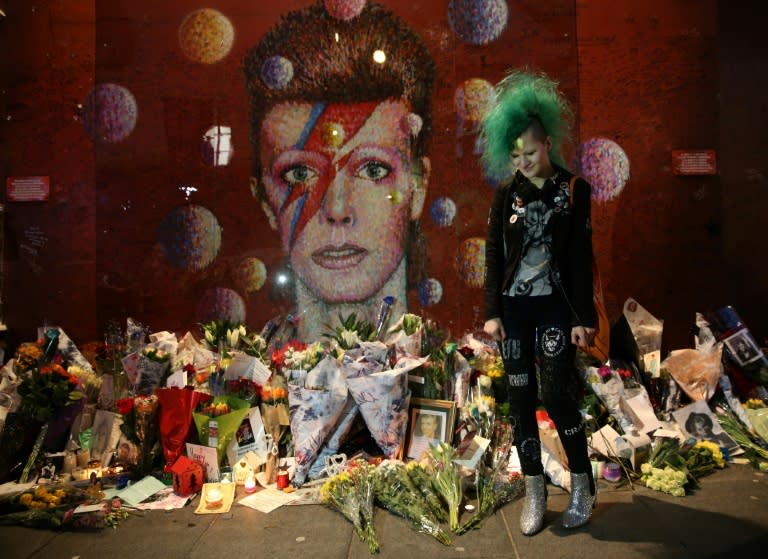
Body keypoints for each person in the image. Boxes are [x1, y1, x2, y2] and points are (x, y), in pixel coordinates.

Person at [243, 2, 434, 343]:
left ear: (418, 188)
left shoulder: (452, 365)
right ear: (263, 201)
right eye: (300, 174)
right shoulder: (248, 370)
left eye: (373, 169)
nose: (336, 210)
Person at [480, 70, 597, 535]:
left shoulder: (573, 191)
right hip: (514, 310)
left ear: (547, 143)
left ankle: (584, 484)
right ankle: (534, 490)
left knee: (556, 395)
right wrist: (491, 311)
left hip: (554, 308)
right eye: (514, 155)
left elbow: (581, 258)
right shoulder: (505, 193)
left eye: (529, 152)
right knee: (521, 400)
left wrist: (581, 318)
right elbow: (493, 251)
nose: (522, 162)